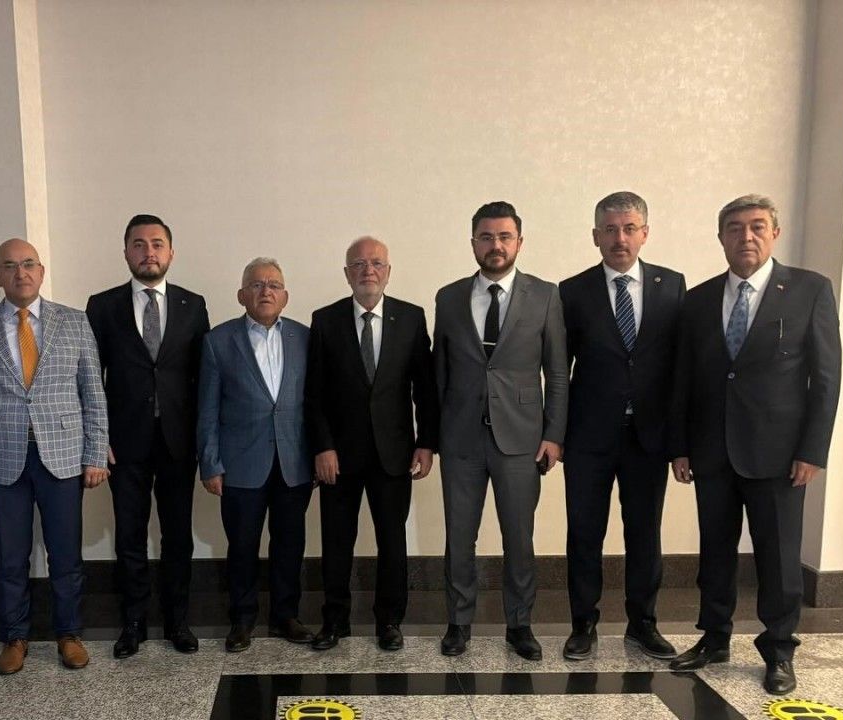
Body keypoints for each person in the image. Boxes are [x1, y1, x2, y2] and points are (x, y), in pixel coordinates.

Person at [668, 195, 841, 694]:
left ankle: (780, 650)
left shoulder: (809, 290)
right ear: (721, 237)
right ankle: (714, 637)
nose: (746, 236)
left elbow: (826, 378)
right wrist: (680, 446)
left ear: (774, 233)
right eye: (735, 228)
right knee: (715, 551)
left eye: (757, 226)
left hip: (781, 454)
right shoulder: (698, 299)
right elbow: (684, 378)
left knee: (780, 557)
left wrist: (813, 450)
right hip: (712, 450)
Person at [0, 238, 109, 675]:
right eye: (9, 266)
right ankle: (14, 637)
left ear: (41, 271)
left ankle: (69, 634)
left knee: (66, 555)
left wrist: (96, 453)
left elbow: (93, 393)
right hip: (1, 461)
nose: (20, 273)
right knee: (10, 557)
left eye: (28, 264)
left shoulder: (74, 322)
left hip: (63, 457)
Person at [433, 201, 568, 659]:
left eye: (505, 236)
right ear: (473, 243)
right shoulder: (449, 297)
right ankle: (458, 623)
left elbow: (558, 372)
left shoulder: (545, 295)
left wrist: (554, 434)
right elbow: (439, 372)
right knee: (459, 537)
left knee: (519, 537)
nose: (496, 245)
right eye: (487, 237)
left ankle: (520, 624)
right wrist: (434, 436)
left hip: (523, 439)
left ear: (519, 242)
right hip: (461, 439)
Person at [558, 192, 684, 661]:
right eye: (610, 229)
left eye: (629, 228)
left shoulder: (672, 285)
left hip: (648, 437)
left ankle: (643, 624)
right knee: (584, 533)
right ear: (595, 236)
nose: (620, 238)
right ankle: (582, 624)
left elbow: (680, 368)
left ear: (645, 233)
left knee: (644, 533)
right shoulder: (572, 291)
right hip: (588, 437)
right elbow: (559, 369)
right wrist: (555, 434)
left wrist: (679, 441)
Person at [304, 236, 438, 651]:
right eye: (359, 264)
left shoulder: (411, 318)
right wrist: (322, 447)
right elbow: (314, 394)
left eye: (376, 263)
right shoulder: (325, 320)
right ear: (347, 274)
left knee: (392, 542)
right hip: (338, 457)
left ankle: (389, 622)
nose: (368, 271)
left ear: (388, 272)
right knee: (336, 542)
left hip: (393, 453)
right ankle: (335, 621)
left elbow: (425, 388)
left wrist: (426, 442)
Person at [86, 214, 210, 658]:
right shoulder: (102, 306)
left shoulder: (193, 305)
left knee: (178, 537)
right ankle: (133, 623)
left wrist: (204, 439)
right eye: (139, 244)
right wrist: (97, 437)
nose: (148, 252)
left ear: (171, 252)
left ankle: (178, 621)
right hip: (124, 443)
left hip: (178, 441)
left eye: (157, 244)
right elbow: (90, 378)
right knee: (129, 537)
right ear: (126, 252)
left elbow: (204, 377)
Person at [197, 257, 314, 653]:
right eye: (257, 284)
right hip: (240, 465)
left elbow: (316, 403)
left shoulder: (305, 338)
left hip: (294, 463)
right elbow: (207, 410)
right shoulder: (218, 341)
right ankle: (242, 619)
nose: (266, 291)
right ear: (241, 295)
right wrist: (210, 463)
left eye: (274, 285)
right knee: (243, 545)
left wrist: (318, 454)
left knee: (289, 544)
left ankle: (286, 616)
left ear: (285, 296)